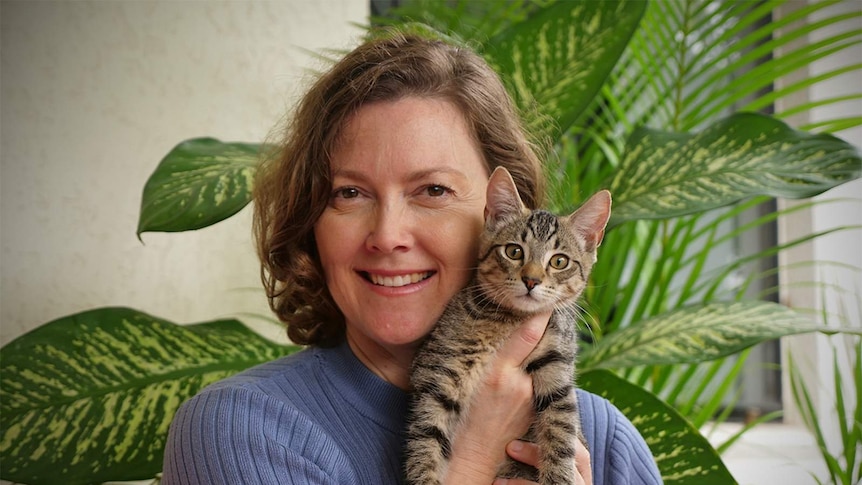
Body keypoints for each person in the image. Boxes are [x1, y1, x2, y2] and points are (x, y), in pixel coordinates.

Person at [161, 28, 663, 485]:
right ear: (310, 220)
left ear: (499, 211)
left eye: (433, 189)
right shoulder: (238, 432)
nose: (387, 235)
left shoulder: (603, 439)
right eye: (349, 194)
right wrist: (471, 458)